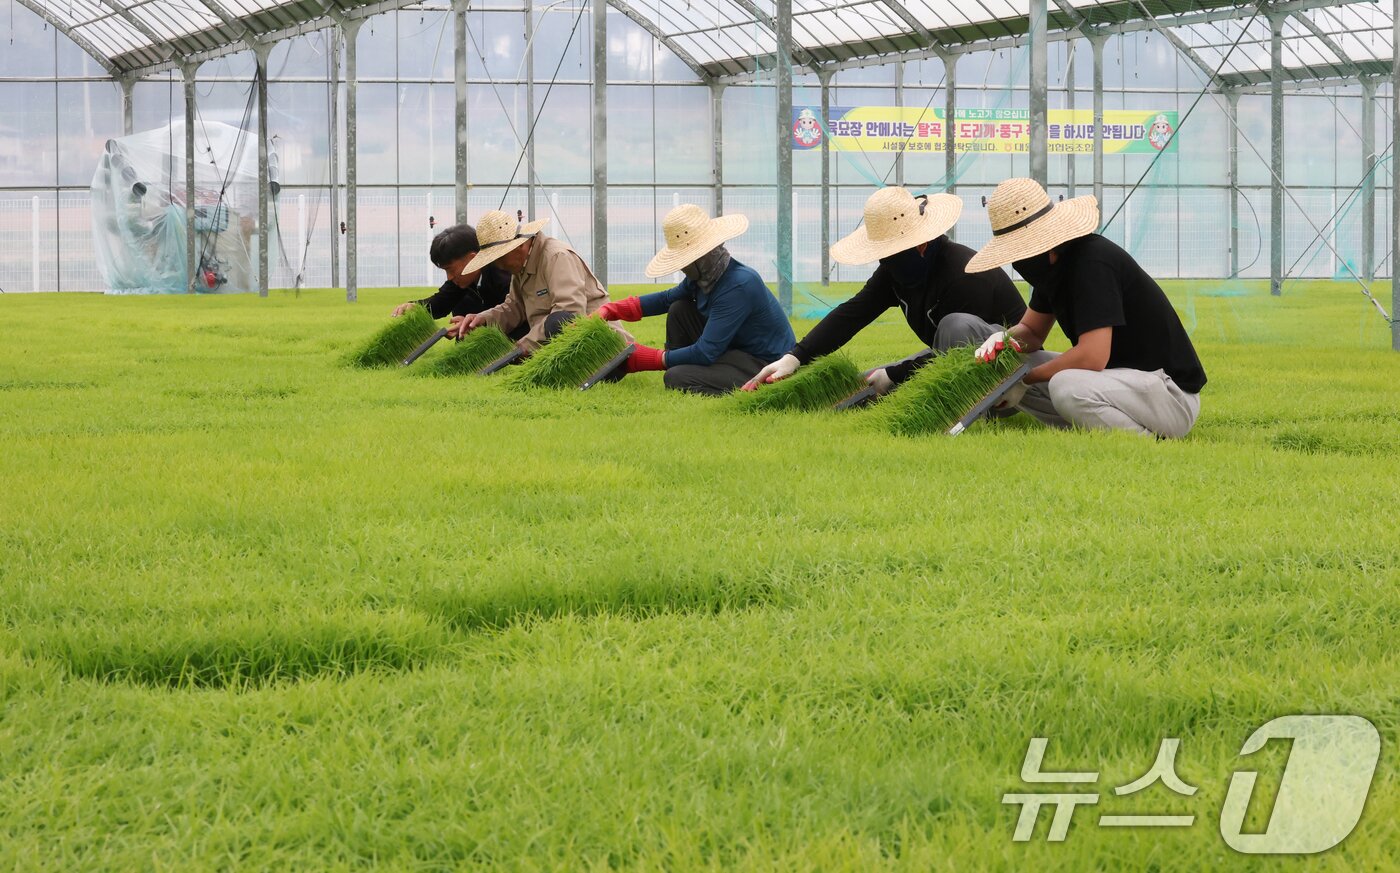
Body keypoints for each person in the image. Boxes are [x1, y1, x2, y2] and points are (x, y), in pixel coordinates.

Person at [744, 186, 1055, 420]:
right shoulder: (896, 272)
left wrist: (895, 374)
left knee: (952, 328)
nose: (887, 260)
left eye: (894, 250)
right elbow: (852, 314)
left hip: (1009, 380)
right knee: (871, 382)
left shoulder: (962, 272)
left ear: (921, 243)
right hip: (954, 363)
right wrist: (794, 358)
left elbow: (959, 353)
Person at [965, 177, 1206, 438]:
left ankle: (1148, 442)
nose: (1018, 260)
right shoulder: (1054, 266)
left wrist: (1024, 380)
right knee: (1013, 362)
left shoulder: (1091, 263)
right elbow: (1033, 332)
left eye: (1020, 250)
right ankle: (1088, 427)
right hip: (1122, 383)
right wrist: (1004, 339)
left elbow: (1093, 355)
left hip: (1168, 395)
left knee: (1066, 386)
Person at [592, 205, 795, 395]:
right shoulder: (705, 277)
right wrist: (612, 309)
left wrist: (652, 358)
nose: (682, 267)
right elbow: (666, 299)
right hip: (733, 349)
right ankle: (683, 363)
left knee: (676, 378)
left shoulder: (738, 285)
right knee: (679, 308)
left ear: (703, 257)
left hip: (763, 364)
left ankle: (698, 372)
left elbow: (706, 351)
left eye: (685, 260)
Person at [445, 211, 612, 351]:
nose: (498, 265)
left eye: (500, 257)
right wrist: (482, 320)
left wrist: (523, 347)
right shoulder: (520, 266)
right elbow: (514, 307)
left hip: (597, 345)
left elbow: (570, 311)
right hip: (559, 346)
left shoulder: (556, 256)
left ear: (519, 245)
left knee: (559, 320)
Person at [390, 224, 525, 341]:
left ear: (472, 259)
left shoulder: (504, 279)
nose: (449, 277)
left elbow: (517, 316)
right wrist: (415, 307)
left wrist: (475, 324)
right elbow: (439, 305)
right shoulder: (460, 281)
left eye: (450, 269)